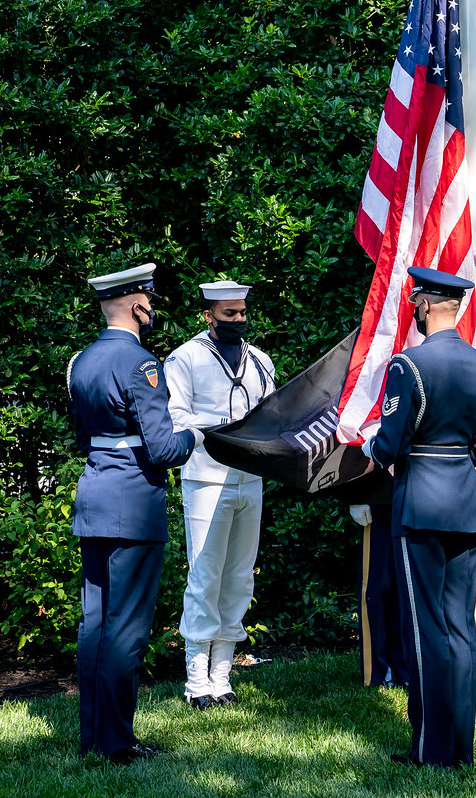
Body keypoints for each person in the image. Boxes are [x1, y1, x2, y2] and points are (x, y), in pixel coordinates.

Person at [362, 266, 476, 769]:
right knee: (459, 628)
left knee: (425, 629)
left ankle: (430, 751)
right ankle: (459, 751)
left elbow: (391, 442)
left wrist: (374, 443)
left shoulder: (409, 365)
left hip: (420, 500)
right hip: (465, 501)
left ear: (422, 306)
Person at [68, 262, 202, 763]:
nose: (154, 308)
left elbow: (83, 437)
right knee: (125, 627)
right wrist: (197, 434)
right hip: (133, 501)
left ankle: (93, 736)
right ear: (136, 304)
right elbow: (164, 449)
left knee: (95, 623)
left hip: (95, 493)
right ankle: (118, 742)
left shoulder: (80, 361)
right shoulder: (141, 363)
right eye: (150, 299)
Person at [164, 279, 275, 709]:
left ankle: (222, 675)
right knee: (205, 575)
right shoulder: (185, 358)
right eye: (230, 314)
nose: (239, 320)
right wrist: (220, 431)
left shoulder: (260, 360)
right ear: (208, 315)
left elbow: (273, 414)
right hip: (206, 478)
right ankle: (196, 681)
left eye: (243, 312)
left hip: (251, 479)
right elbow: (174, 416)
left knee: (240, 576)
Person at [346, 472, 409, 689]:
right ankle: (378, 671)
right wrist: (358, 493)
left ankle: (404, 668)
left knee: (405, 588)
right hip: (377, 498)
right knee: (374, 588)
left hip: (413, 492)